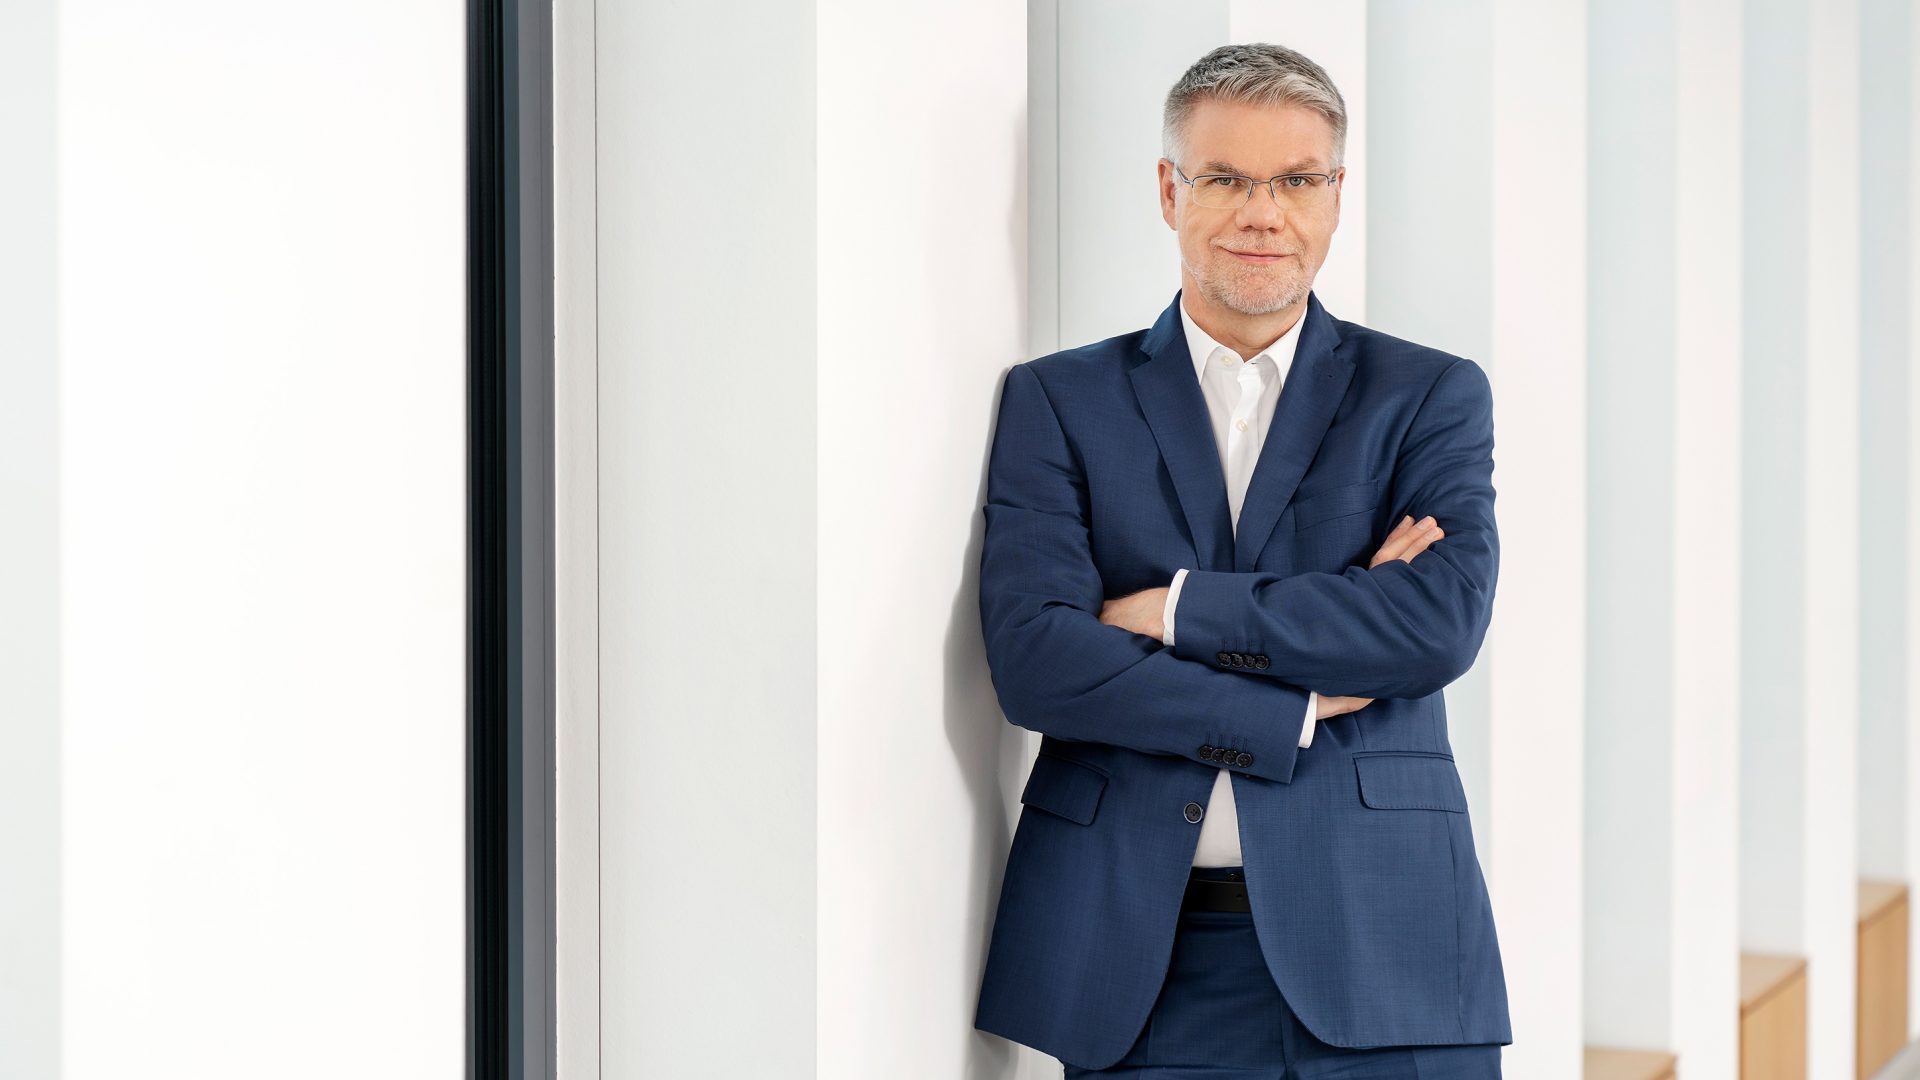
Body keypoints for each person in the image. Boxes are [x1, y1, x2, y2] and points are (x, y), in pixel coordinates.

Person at [971, 42, 1512, 1077]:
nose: (1263, 213)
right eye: (1225, 178)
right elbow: (1037, 661)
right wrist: (1295, 704)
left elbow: (1435, 624)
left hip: (1387, 945)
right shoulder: (1059, 402)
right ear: (1170, 192)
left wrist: (1172, 610)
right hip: (1141, 957)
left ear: (1335, 197)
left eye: (1297, 180)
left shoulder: (1428, 397)